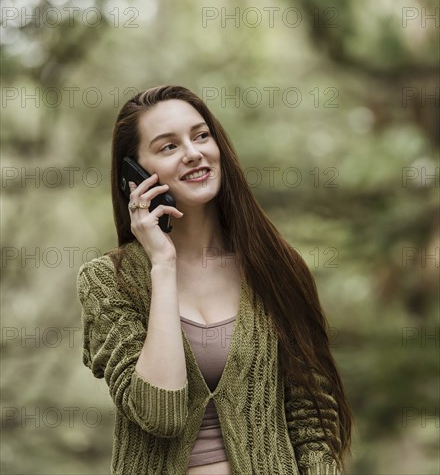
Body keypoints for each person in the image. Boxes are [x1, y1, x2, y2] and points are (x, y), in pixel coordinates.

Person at [77, 85, 353, 475]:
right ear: (134, 174)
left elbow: (312, 423)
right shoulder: (108, 281)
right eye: (168, 146)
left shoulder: (275, 267)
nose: (193, 152)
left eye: (201, 135)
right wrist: (163, 265)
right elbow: (161, 413)